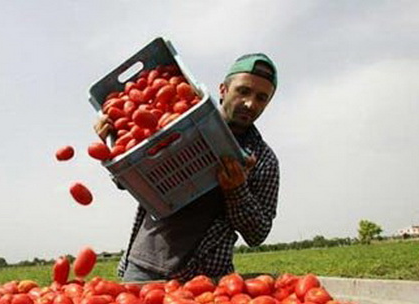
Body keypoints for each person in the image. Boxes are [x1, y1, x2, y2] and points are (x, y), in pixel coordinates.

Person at [94, 53, 280, 282]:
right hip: (146, 266)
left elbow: (257, 234)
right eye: (243, 91)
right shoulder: (177, 118)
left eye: (261, 98)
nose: (250, 103)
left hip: (207, 275)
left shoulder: (264, 160)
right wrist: (114, 141)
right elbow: (126, 181)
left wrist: (237, 190)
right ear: (223, 90)